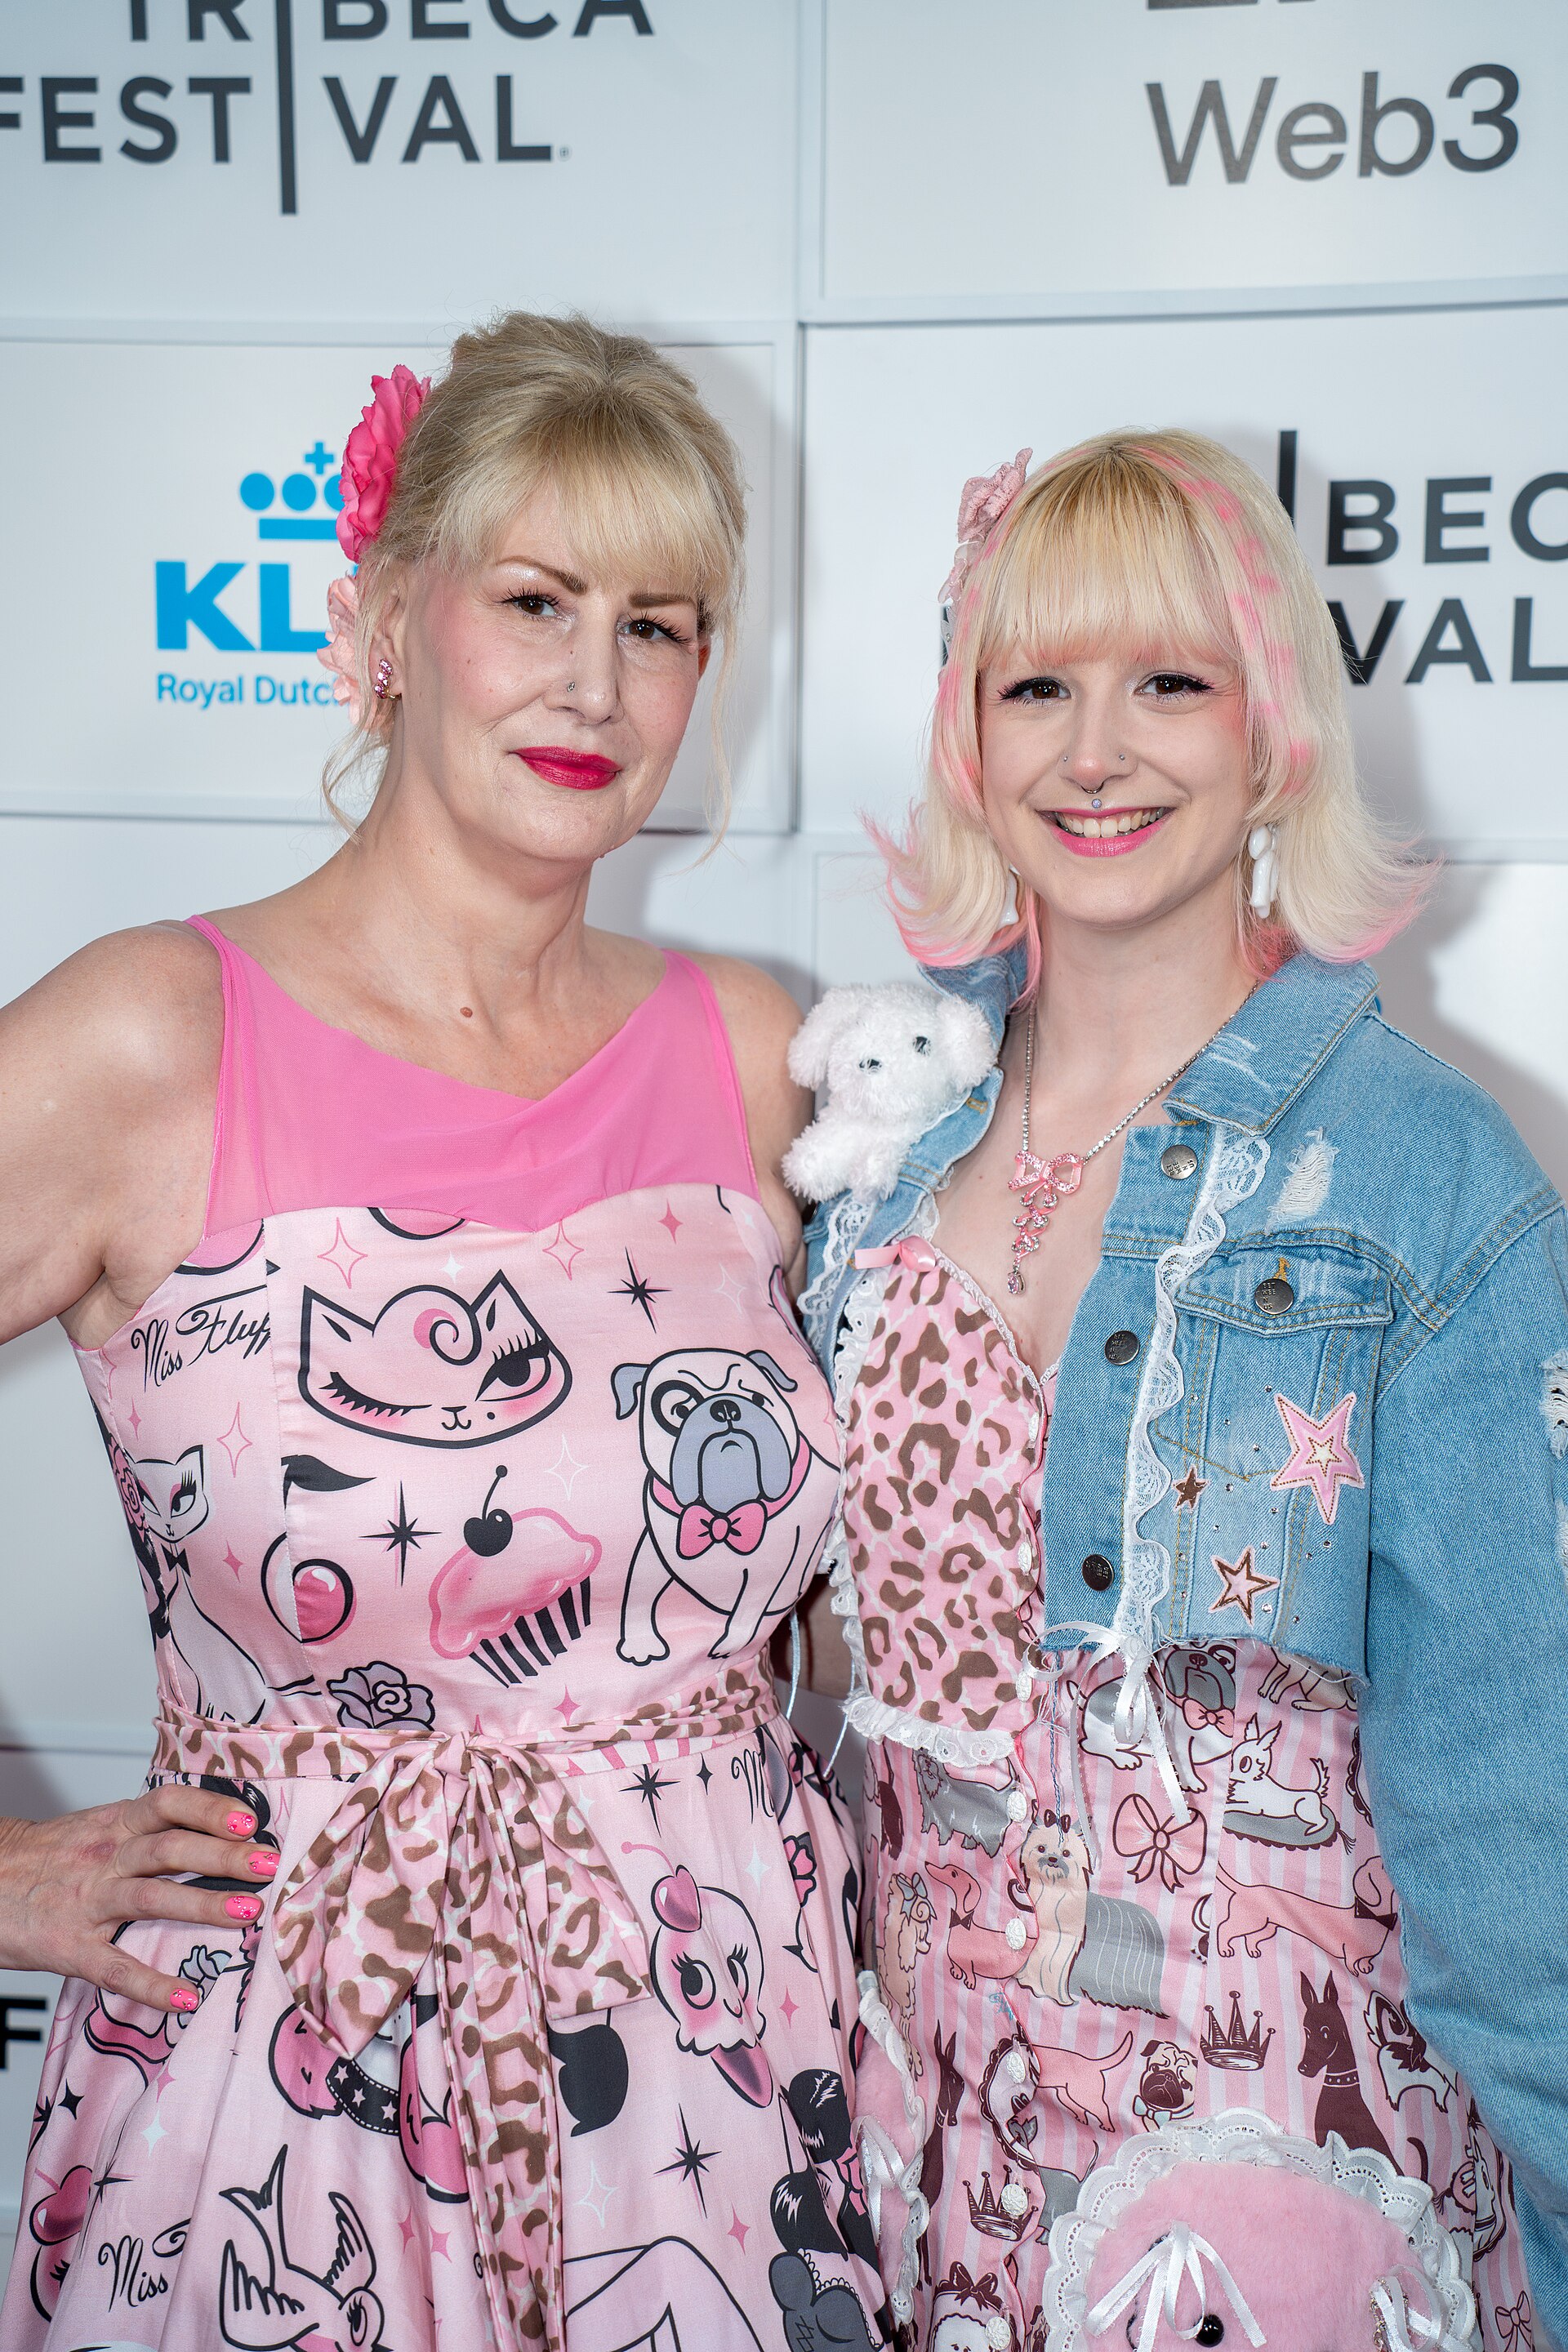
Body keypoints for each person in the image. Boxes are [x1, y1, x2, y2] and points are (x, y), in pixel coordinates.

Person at [0, 314, 884, 2351]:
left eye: (660, 625)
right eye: (537, 601)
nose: (598, 683)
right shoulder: (156, 1036)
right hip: (283, 2113)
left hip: (728, 2092)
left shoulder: (752, 1051)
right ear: (387, 621)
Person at [795, 431, 1568, 2351]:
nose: (1097, 749)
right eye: (1036, 685)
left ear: (1274, 726)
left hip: (1271, 2181)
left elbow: (1513, 1807)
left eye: (1168, 681)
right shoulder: (871, 1150)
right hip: (907, 2157)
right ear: (970, 738)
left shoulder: (1426, 1173)